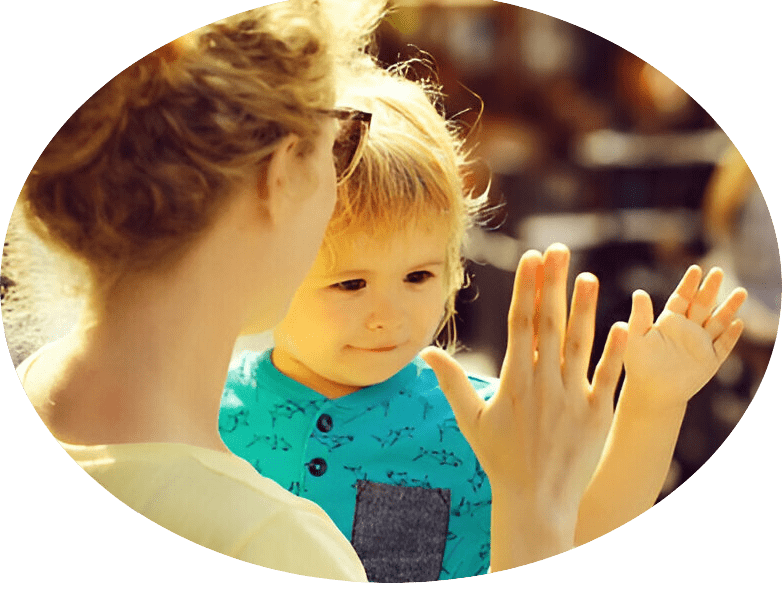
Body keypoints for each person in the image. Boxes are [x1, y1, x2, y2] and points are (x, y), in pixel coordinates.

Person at [8, 2, 627, 581]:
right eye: (342, 138)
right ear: (283, 175)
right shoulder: (278, 546)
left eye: (419, 275)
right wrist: (531, 512)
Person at [219, 66, 747, 581]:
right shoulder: (203, 410)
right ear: (267, 265)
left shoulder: (491, 419)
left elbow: (587, 534)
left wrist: (653, 405)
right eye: (351, 284)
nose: (390, 315)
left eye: (419, 276)